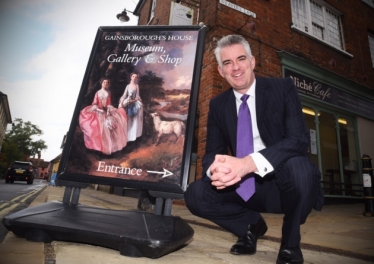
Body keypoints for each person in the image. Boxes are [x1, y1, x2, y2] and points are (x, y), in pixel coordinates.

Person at [184, 35, 324, 264]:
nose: (236, 67)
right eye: (227, 63)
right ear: (220, 71)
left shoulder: (282, 88)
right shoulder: (218, 105)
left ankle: (290, 244)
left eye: (241, 59)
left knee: (302, 169)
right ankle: (250, 226)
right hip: (241, 186)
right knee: (195, 194)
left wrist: (248, 163)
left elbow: (298, 140)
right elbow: (212, 151)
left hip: (281, 182)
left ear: (252, 61)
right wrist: (216, 170)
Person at [79, 77, 128, 155]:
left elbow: (109, 103)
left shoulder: (108, 93)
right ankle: (99, 149)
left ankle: (110, 147)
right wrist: (99, 110)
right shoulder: (98, 93)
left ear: (108, 84)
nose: (105, 84)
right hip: (99, 111)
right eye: (104, 82)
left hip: (106, 110)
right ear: (101, 83)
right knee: (99, 128)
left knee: (114, 123)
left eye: (107, 83)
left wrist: (108, 111)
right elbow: (94, 103)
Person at [119, 73, 143, 141]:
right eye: (133, 76)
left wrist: (134, 100)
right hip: (128, 101)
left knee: (136, 115)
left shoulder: (137, 86)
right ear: (130, 77)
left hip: (134, 101)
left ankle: (133, 136)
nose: (134, 78)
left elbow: (137, 96)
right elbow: (124, 95)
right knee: (127, 118)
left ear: (137, 78)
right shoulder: (128, 86)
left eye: (136, 77)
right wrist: (122, 101)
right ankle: (126, 136)